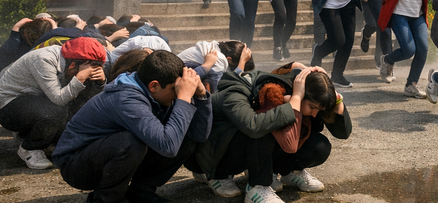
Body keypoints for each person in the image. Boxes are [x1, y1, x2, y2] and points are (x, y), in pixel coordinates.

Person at [53, 51, 212, 203]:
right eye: (174, 89)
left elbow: (198, 135)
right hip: (76, 166)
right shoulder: (127, 99)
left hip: (106, 155)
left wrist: (201, 95)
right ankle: (106, 199)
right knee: (130, 143)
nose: (178, 93)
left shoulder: (157, 95)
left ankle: (140, 192)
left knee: (185, 137)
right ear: (154, 86)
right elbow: (168, 146)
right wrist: (184, 98)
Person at [188, 64, 350, 201]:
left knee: (318, 146)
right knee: (265, 125)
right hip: (213, 157)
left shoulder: (299, 93)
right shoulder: (240, 93)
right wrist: (295, 100)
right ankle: (252, 185)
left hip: (240, 147)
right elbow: (256, 127)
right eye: (313, 108)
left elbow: (342, 133)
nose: (315, 114)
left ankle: (287, 172)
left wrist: (336, 101)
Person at [0, 37, 106, 170]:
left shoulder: (75, 62)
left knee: (76, 103)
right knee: (55, 112)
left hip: (38, 100)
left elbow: (90, 102)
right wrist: (79, 79)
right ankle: (29, 148)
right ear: (73, 64)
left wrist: (99, 82)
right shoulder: (43, 59)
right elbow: (58, 99)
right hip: (9, 106)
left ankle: (30, 135)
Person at [177, 40, 254, 91]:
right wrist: (242, 62)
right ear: (229, 59)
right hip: (177, 81)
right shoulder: (219, 59)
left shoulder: (214, 48)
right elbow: (218, 89)